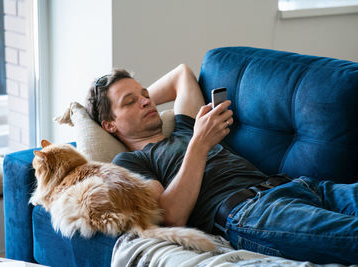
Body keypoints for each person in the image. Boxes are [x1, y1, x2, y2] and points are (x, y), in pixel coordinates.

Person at [85, 64, 358, 265]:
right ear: (109, 125)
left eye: (145, 94)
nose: (146, 101)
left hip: (299, 186)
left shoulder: (183, 127)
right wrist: (199, 144)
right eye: (130, 102)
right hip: (252, 212)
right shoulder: (130, 161)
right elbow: (171, 216)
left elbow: (181, 74)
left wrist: (138, 99)